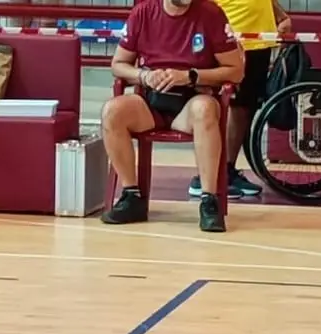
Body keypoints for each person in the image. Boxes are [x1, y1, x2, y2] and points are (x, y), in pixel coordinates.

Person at [100, 0, 245, 233]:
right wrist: (143, 76)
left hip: (191, 99)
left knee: (205, 109)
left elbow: (236, 70)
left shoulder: (211, 14)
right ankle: (132, 195)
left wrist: (191, 75)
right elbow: (118, 64)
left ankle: (209, 200)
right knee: (112, 111)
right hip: (151, 101)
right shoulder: (143, 13)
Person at [185, 0, 289, 199]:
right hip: (233, 41)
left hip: (258, 41)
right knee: (225, 108)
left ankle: (227, 170)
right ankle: (207, 176)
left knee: (244, 107)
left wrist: (280, 15)